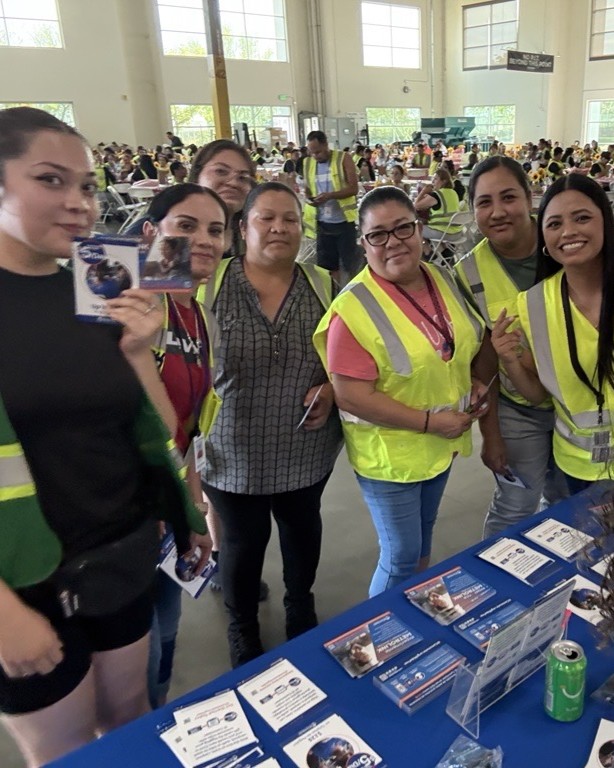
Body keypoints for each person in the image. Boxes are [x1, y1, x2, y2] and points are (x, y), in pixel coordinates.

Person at [0, 107, 207, 766]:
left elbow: (154, 428)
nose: (79, 204)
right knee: (63, 752)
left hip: (121, 555)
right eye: (51, 181)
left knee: (131, 722)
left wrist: (141, 350)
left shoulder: (98, 285)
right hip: (24, 579)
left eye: (87, 186)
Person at [313, 186, 491, 596]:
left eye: (403, 228)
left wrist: (473, 383)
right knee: (401, 556)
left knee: (423, 540)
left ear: (419, 229)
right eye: (378, 234)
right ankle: (379, 637)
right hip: (389, 457)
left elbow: (460, 343)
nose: (393, 242)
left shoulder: (441, 278)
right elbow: (353, 395)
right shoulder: (354, 307)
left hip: (437, 446)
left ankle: (412, 615)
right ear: (363, 243)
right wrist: (431, 422)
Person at [199, 182, 342, 666]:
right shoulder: (211, 284)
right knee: (242, 544)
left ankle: (300, 605)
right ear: (243, 228)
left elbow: (349, 358)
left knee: (303, 531)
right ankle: (242, 629)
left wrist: (331, 389)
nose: (280, 227)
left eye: (291, 219)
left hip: (305, 445)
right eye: (266, 218)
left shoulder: (323, 284)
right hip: (230, 450)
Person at [141, 184, 226, 708]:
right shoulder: (134, 306)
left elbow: (189, 427)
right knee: (138, 655)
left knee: (167, 628)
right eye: (186, 226)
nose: (204, 240)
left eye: (215, 229)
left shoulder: (200, 315)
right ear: (151, 233)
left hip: (171, 507)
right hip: (125, 515)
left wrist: (193, 506)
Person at [455, 156, 568, 537]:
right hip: (519, 409)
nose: (498, 211)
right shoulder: (468, 273)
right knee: (515, 505)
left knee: (566, 501)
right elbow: (484, 367)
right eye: (484, 202)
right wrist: (493, 436)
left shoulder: (566, 243)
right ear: (472, 210)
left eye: (508, 197)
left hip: (581, 407)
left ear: (529, 197)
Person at [490, 174, 614, 497]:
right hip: (576, 467)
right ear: (543, 236)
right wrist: (510, 360)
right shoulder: (532, 306)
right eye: (555, 223)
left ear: (605, 221)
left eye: (582, 218)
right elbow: (538, 396)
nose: (569, 232)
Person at [303, 130, 360, 283]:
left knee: (350, 265)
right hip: (322, 223)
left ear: (326, 145)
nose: (316, 156)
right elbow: (308, 188)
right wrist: (310, 198)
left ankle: (353, 295)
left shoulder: (343, 159)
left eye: (319, 152)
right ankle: (332, 294)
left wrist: (330, 195)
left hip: (343, 222)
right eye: (312, 152)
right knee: (327, 267)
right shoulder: (308, 163)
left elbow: (354, 189)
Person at [189, 138, 256, 258]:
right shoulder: (168, 229)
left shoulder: (253, 235)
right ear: (197, 175)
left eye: (242, 178)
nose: (233, 183)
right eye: (221, 171)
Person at [415, 168, 462, 244]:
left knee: (414, 228)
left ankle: (428, 252)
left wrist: (424, 191)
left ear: (444, 181)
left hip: (444, 233)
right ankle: (443, 251)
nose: (432, 181)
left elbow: (416, 206)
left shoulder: (437, 195)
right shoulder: (453, 192)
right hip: (457, 232)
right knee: (424, 224)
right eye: (432, 179)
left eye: (435, 179)